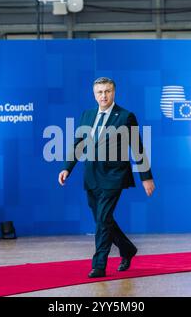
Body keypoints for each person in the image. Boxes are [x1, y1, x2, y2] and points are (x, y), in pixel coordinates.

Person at [58, 77, 155, 278]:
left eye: (107, 91)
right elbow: (78, 144)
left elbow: (137, 147)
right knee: (104, 219)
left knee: (102, 220)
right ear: (94, 94)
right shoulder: (87, 115)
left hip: (114, 175)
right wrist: (67, 168)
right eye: (100, 92)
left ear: (114, 92)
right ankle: (127, 249)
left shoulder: (126, 116)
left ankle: (99, 265)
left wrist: (146, 177)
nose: (104, 95)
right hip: (92, 175)